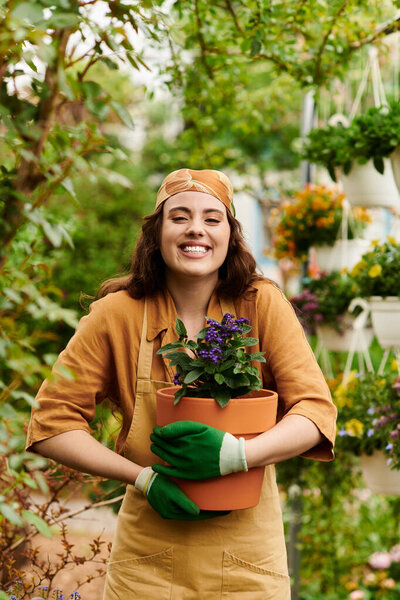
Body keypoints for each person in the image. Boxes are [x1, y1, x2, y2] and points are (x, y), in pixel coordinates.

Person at [26, 168, 337, 599]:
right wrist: (142, 478)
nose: (197, 229)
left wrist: (237, 455)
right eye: (180, 217)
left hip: (248, 557)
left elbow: (315, 413)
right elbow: (51, 424)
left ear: (231, 234)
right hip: (147, 560)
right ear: (156, 233)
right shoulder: (116, 315)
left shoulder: (261, 304)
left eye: (213, 218)